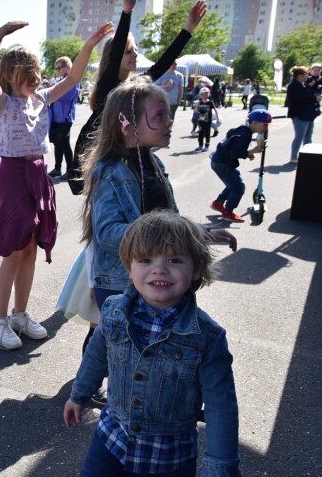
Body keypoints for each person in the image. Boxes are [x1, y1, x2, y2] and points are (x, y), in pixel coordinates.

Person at [64, 210, 241, 477]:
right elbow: (97, 356)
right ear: (129, 266)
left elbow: (221, 405)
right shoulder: (113, 311)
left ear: (196, 270)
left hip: (169, 459)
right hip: (111, 442)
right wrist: (79, 394)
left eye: (175, 260)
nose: (159, 268)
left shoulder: (207, 337)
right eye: (145, 259)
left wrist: (220, 466)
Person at [0, 18, 112, 350]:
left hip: (38, 176)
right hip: (13, 178)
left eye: (36, 68)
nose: (36, 74)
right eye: (28, 68)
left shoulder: (42, 98)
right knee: (13, 252)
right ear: (11, 74)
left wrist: (88, 46)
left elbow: (73, 77)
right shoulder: (4, 103)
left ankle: (20, 314)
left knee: (30, 251)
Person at [79, 77, 236, 317]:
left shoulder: (155, 163)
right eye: (159, 116)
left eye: (168, 115)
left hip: (157, 282)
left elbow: (170, 220)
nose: (169, 123)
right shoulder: (111, 172)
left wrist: (201, 232)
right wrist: (163, 234)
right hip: (123, 286)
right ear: (127, 125)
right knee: (122, 349)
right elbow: (107, 232)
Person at [68, 0, 207, 195]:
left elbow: (161, 65)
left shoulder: (134, 87)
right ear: (115, 56)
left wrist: (188, 29)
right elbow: (115, 57)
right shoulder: (109, 86)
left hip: (122, 160)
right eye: (128, 51)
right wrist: (127, 11)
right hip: (100, 162)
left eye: (134, 50)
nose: (135, 55)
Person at [210, 109, 269, 223]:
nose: (266, 127)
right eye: (264, 124)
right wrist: (251, 151)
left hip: (218, 161)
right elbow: (234, 153)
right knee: (239, 187)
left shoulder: (242, 129)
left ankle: (218, 203)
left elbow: (232, 144)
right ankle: (228, 212)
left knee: (232, 184)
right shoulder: (245, 135)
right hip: (223, 163)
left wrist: (247, 154)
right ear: (254, 123)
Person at [47, 56, 79, 180]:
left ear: (67, 67)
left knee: (65, 144)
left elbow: (68, 97)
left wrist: (53, 93)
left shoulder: (72, 80)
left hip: (65, 118)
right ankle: (57, 168)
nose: (58, 70)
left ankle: (70, 170)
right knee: (57, 144)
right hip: (57, 118)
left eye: (59, 67)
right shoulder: (63, 80)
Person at [286, 65, 318, 164]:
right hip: (299, 114)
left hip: (308, 114)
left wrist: (315, 96)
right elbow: (302, 98)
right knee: (299, 136)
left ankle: (307, 156)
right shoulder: (293, 86)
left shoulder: (302, 84)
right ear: (299, 75)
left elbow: (308, 95)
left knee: (308, 136)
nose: (306, 77)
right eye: (305, 75)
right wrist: (314, 98)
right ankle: (293, 157)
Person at [193, 86, 218, 151]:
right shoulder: (199, 103)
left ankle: (206, 146)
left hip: (208, 121)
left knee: (207, 134)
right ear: (200, 95)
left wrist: (217, 118)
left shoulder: (210, 102)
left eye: (207, 93)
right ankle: (200, 145)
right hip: (200, 121)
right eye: (204, 94)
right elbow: (195, 112)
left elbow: (215, 110)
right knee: (200, 134)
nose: (205, 95)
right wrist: (196, 106)